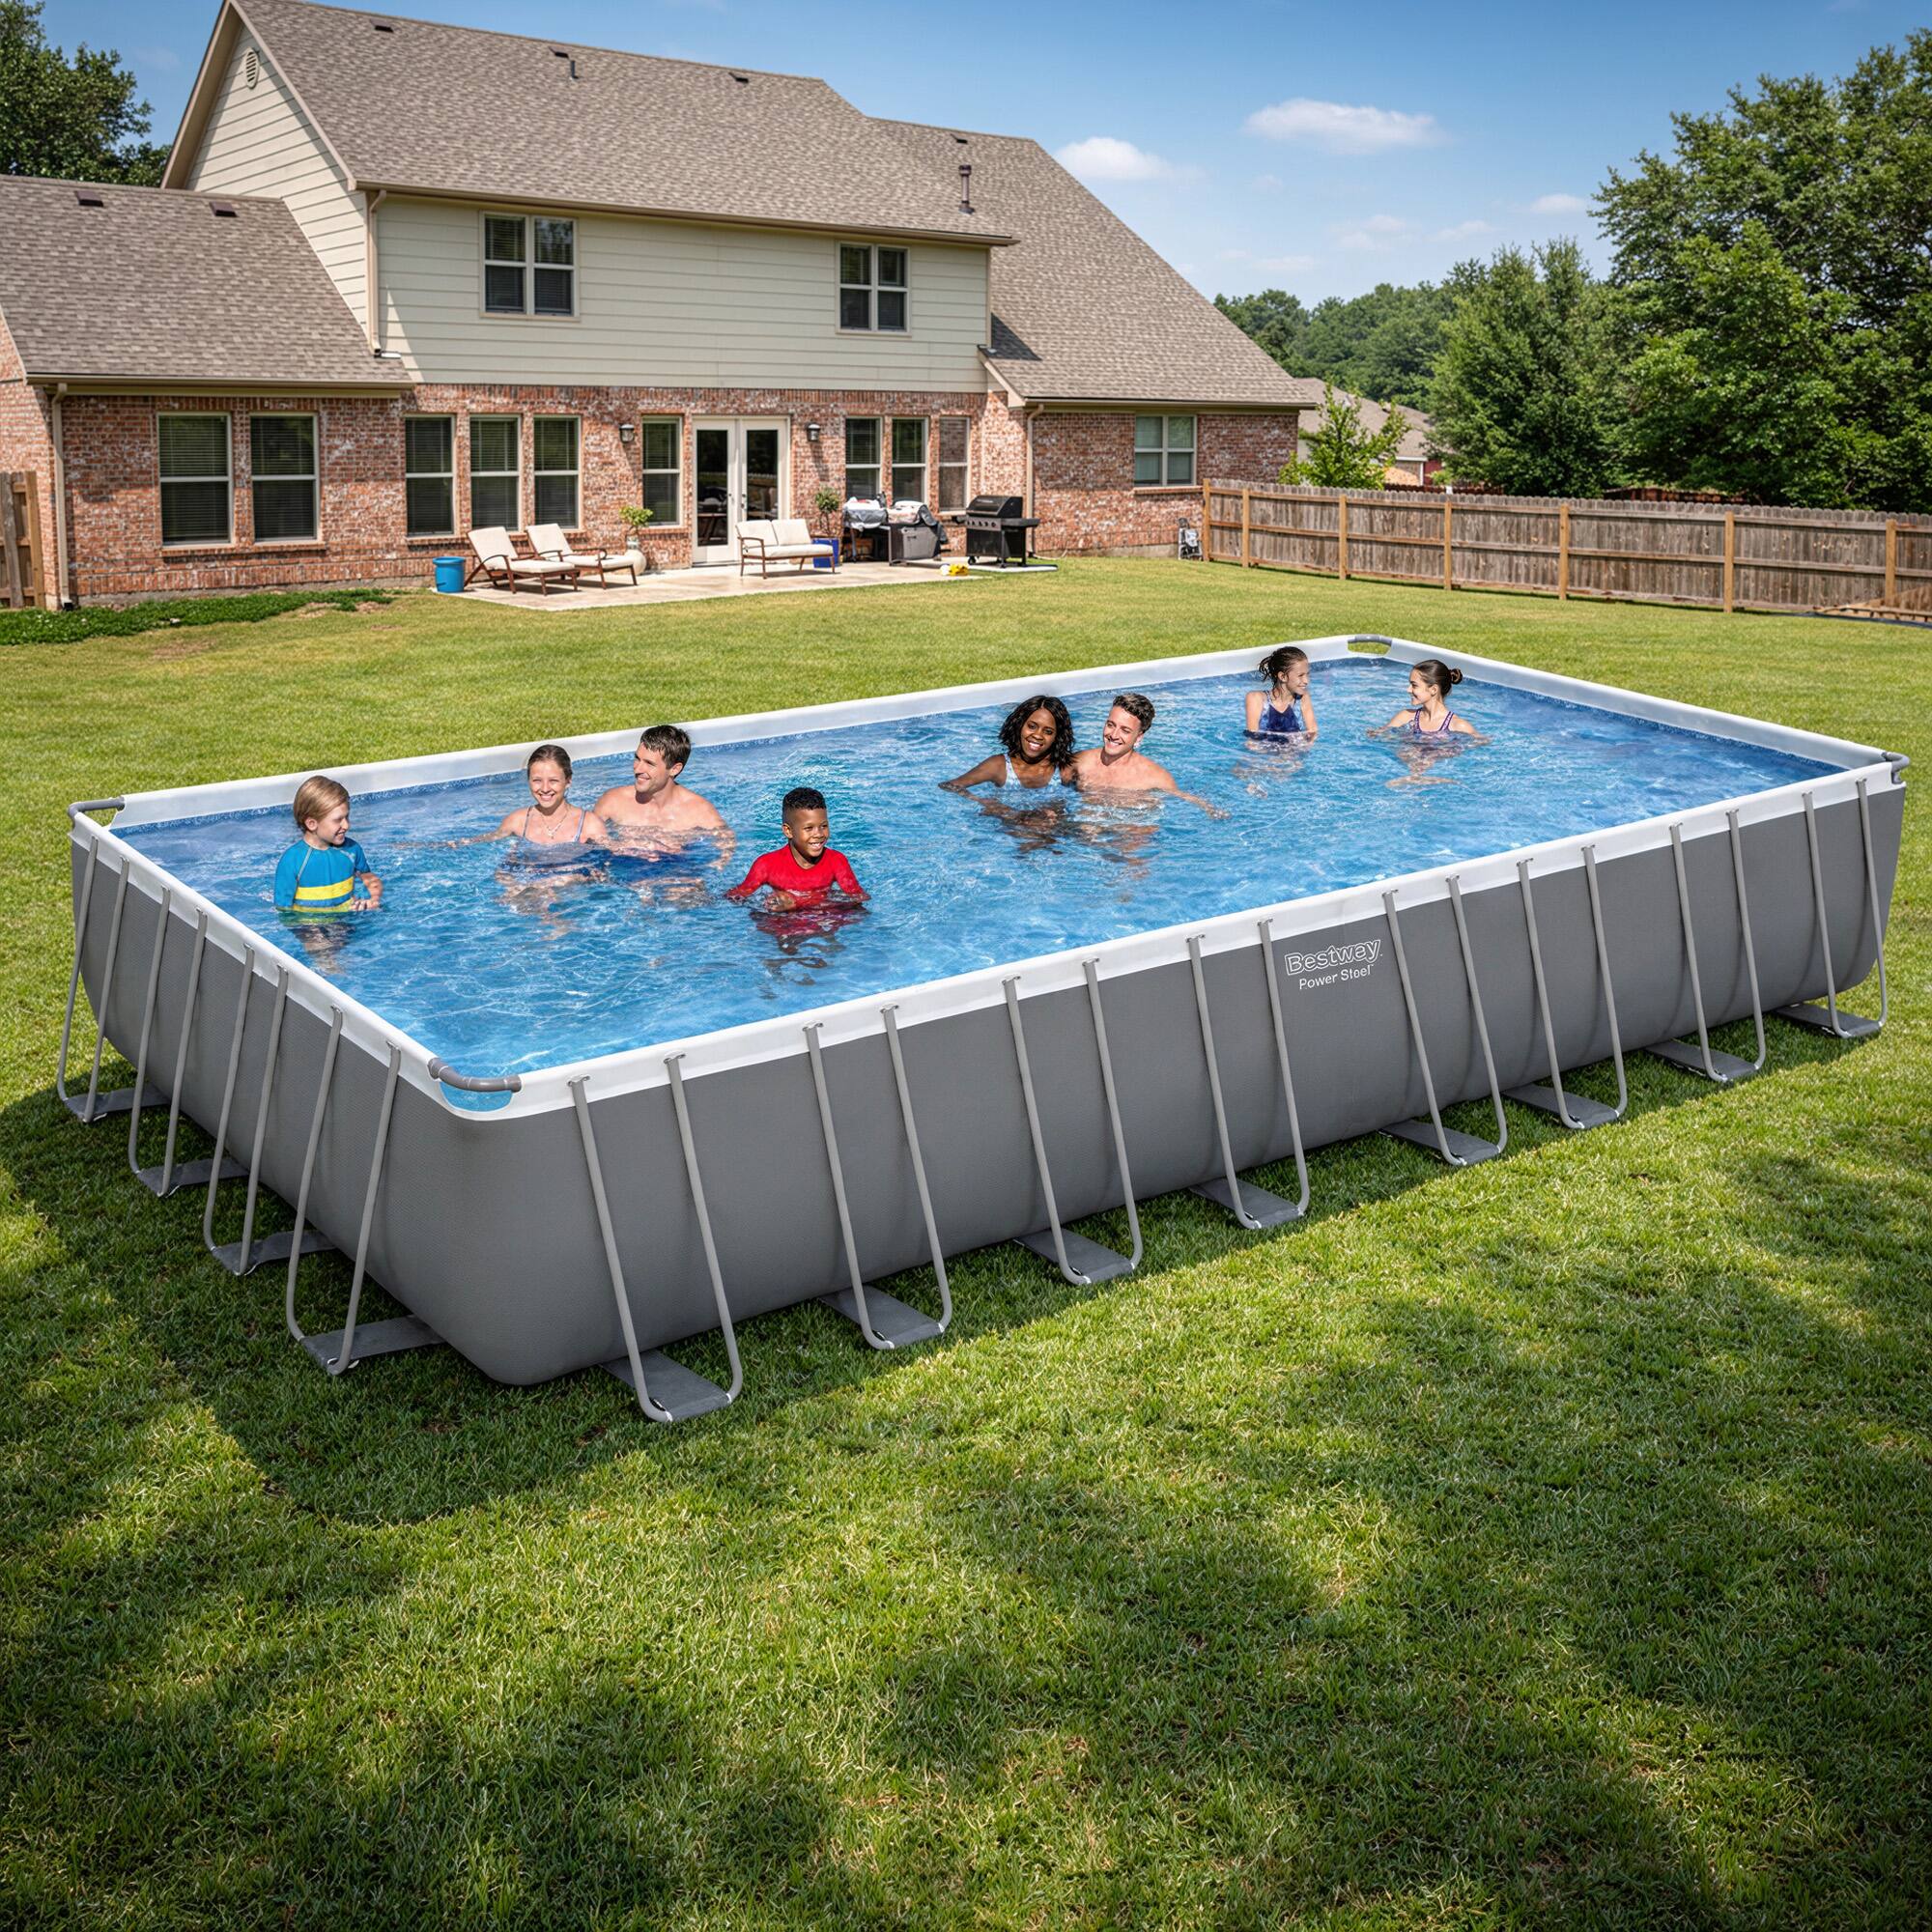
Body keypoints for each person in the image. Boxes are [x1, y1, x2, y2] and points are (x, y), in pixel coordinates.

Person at [726, 786, 866, 910]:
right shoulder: (766, 865)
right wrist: (766, 903)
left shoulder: (836, 861)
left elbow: (859, 900)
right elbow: (737, 898)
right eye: (809, 828)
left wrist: (796, 903)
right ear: (788, 831)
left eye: (824, 826)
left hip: (822, 920)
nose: (819, 834)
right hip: (784, 924)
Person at [593, 724, 728, 836]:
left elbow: (727, 846)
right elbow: (588, 840)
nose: (638, 769)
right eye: (637, 759)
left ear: (674, 769)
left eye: (649, 763)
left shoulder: (698, 811)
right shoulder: (613, 802)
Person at [273, 776, 382, 912]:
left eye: (347, 817)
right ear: (312, 823)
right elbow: (283, 909)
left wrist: (373, 900)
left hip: (346, 920)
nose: (346, 825)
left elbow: (369, 879)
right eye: (338, 820)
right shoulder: (292, 860)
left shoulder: (352, 850)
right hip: (308, 925)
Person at [943, 695, 1076, 791]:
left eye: (1048, 731)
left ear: (1057, 737)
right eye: (1031, 726)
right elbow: (949, 785)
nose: (1037, 735)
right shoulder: (999, 766)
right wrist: (986, 803)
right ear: (1019, 726)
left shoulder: (1064, 768)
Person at [491, 744, 610, 848]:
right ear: (528, 780)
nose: (545, 789)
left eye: (553, 780)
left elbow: (605, 867)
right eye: (537, 780)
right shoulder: (517, 822)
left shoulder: (589, 824)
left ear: (568, 781)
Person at [1066, 693, 1178, 794]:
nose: (1114, 736)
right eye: (1111, 725)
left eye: (1125, 730)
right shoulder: (1079, 763)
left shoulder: (1157, 778)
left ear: (1138, 737)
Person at [1385, 659, 1476, 738]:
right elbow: (1377, 736)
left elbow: (1482, 743)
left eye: (1414, 685)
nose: (1408, 690)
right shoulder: (1405, 717)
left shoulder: (1458, 726)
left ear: (1433, 689)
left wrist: (1447, 751)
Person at [1245, 645, 1318, 737]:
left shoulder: (1303, 698)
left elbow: (1313, 733)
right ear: (1283, 677)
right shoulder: (1256, 698)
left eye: (1307, 674)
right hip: (1266, 749)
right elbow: (1252, 739)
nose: (1306, 681)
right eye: (1300, 675)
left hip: (1296, 749)